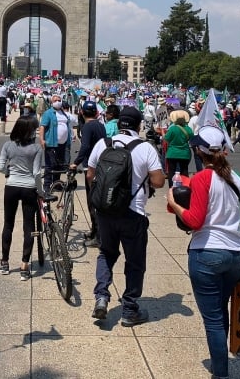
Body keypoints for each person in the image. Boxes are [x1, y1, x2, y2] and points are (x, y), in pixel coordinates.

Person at [166, 126, 240, 379]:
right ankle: (221, 366)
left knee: (213, 318)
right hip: (235, 253)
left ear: (198, 150)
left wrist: (173, 203)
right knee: (221, 309)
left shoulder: (203, 178)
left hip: (207, 253)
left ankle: (221, 373)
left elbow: (194, 220)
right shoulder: (236, 178)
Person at [88, 107, 165, 326]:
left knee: (106, 253)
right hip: (133, 212)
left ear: (118, 122)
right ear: (139, 125)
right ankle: (130, 309)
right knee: (135, 261)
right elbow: (159, 182)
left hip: (105, 211)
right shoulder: (145, 148)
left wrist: (100, 199)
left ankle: (101, 296)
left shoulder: (104, 143)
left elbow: (91, 174)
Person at [0, 115, 43, 280]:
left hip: (12, 186)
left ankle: (4, 262)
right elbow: (37, 172)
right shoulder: (36, 148)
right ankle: (24, 265)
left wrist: (9, 172)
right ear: (29, 131)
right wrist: (41, 191)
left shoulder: (8, 145)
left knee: (8, 224)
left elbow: (0, 167)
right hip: (29, 188)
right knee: (28, 226)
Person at [70, 100, 106, 247]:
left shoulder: (86, 127)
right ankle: (94, 230)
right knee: (97, 200)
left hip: (90, 166)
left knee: (92, 202)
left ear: (82, 113)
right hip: (101, 165)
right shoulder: (100, 125)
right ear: (96, 113)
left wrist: (75, 162)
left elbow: (84, 147)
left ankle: (98, 236)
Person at [39, 94, 72, 192]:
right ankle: (47, 185)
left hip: (63, 144)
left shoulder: (64, 113)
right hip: (51, 143)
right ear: (51, 102)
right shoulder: (48, 113)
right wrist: (42, 139)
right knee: (50, 165)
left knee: (59, 165)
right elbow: (42, 127)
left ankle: (56, 183)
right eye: (55, 100)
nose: (58, 102)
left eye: (59, 100)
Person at [163, 109, 194, 187]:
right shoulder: (188, 129)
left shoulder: (172, 129)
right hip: (184, 153)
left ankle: (171, 188)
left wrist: (163, 133)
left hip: (172, 153)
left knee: (171, 171)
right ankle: (185, 187)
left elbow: (166, 139)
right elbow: (191, 137)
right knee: (184, 171)